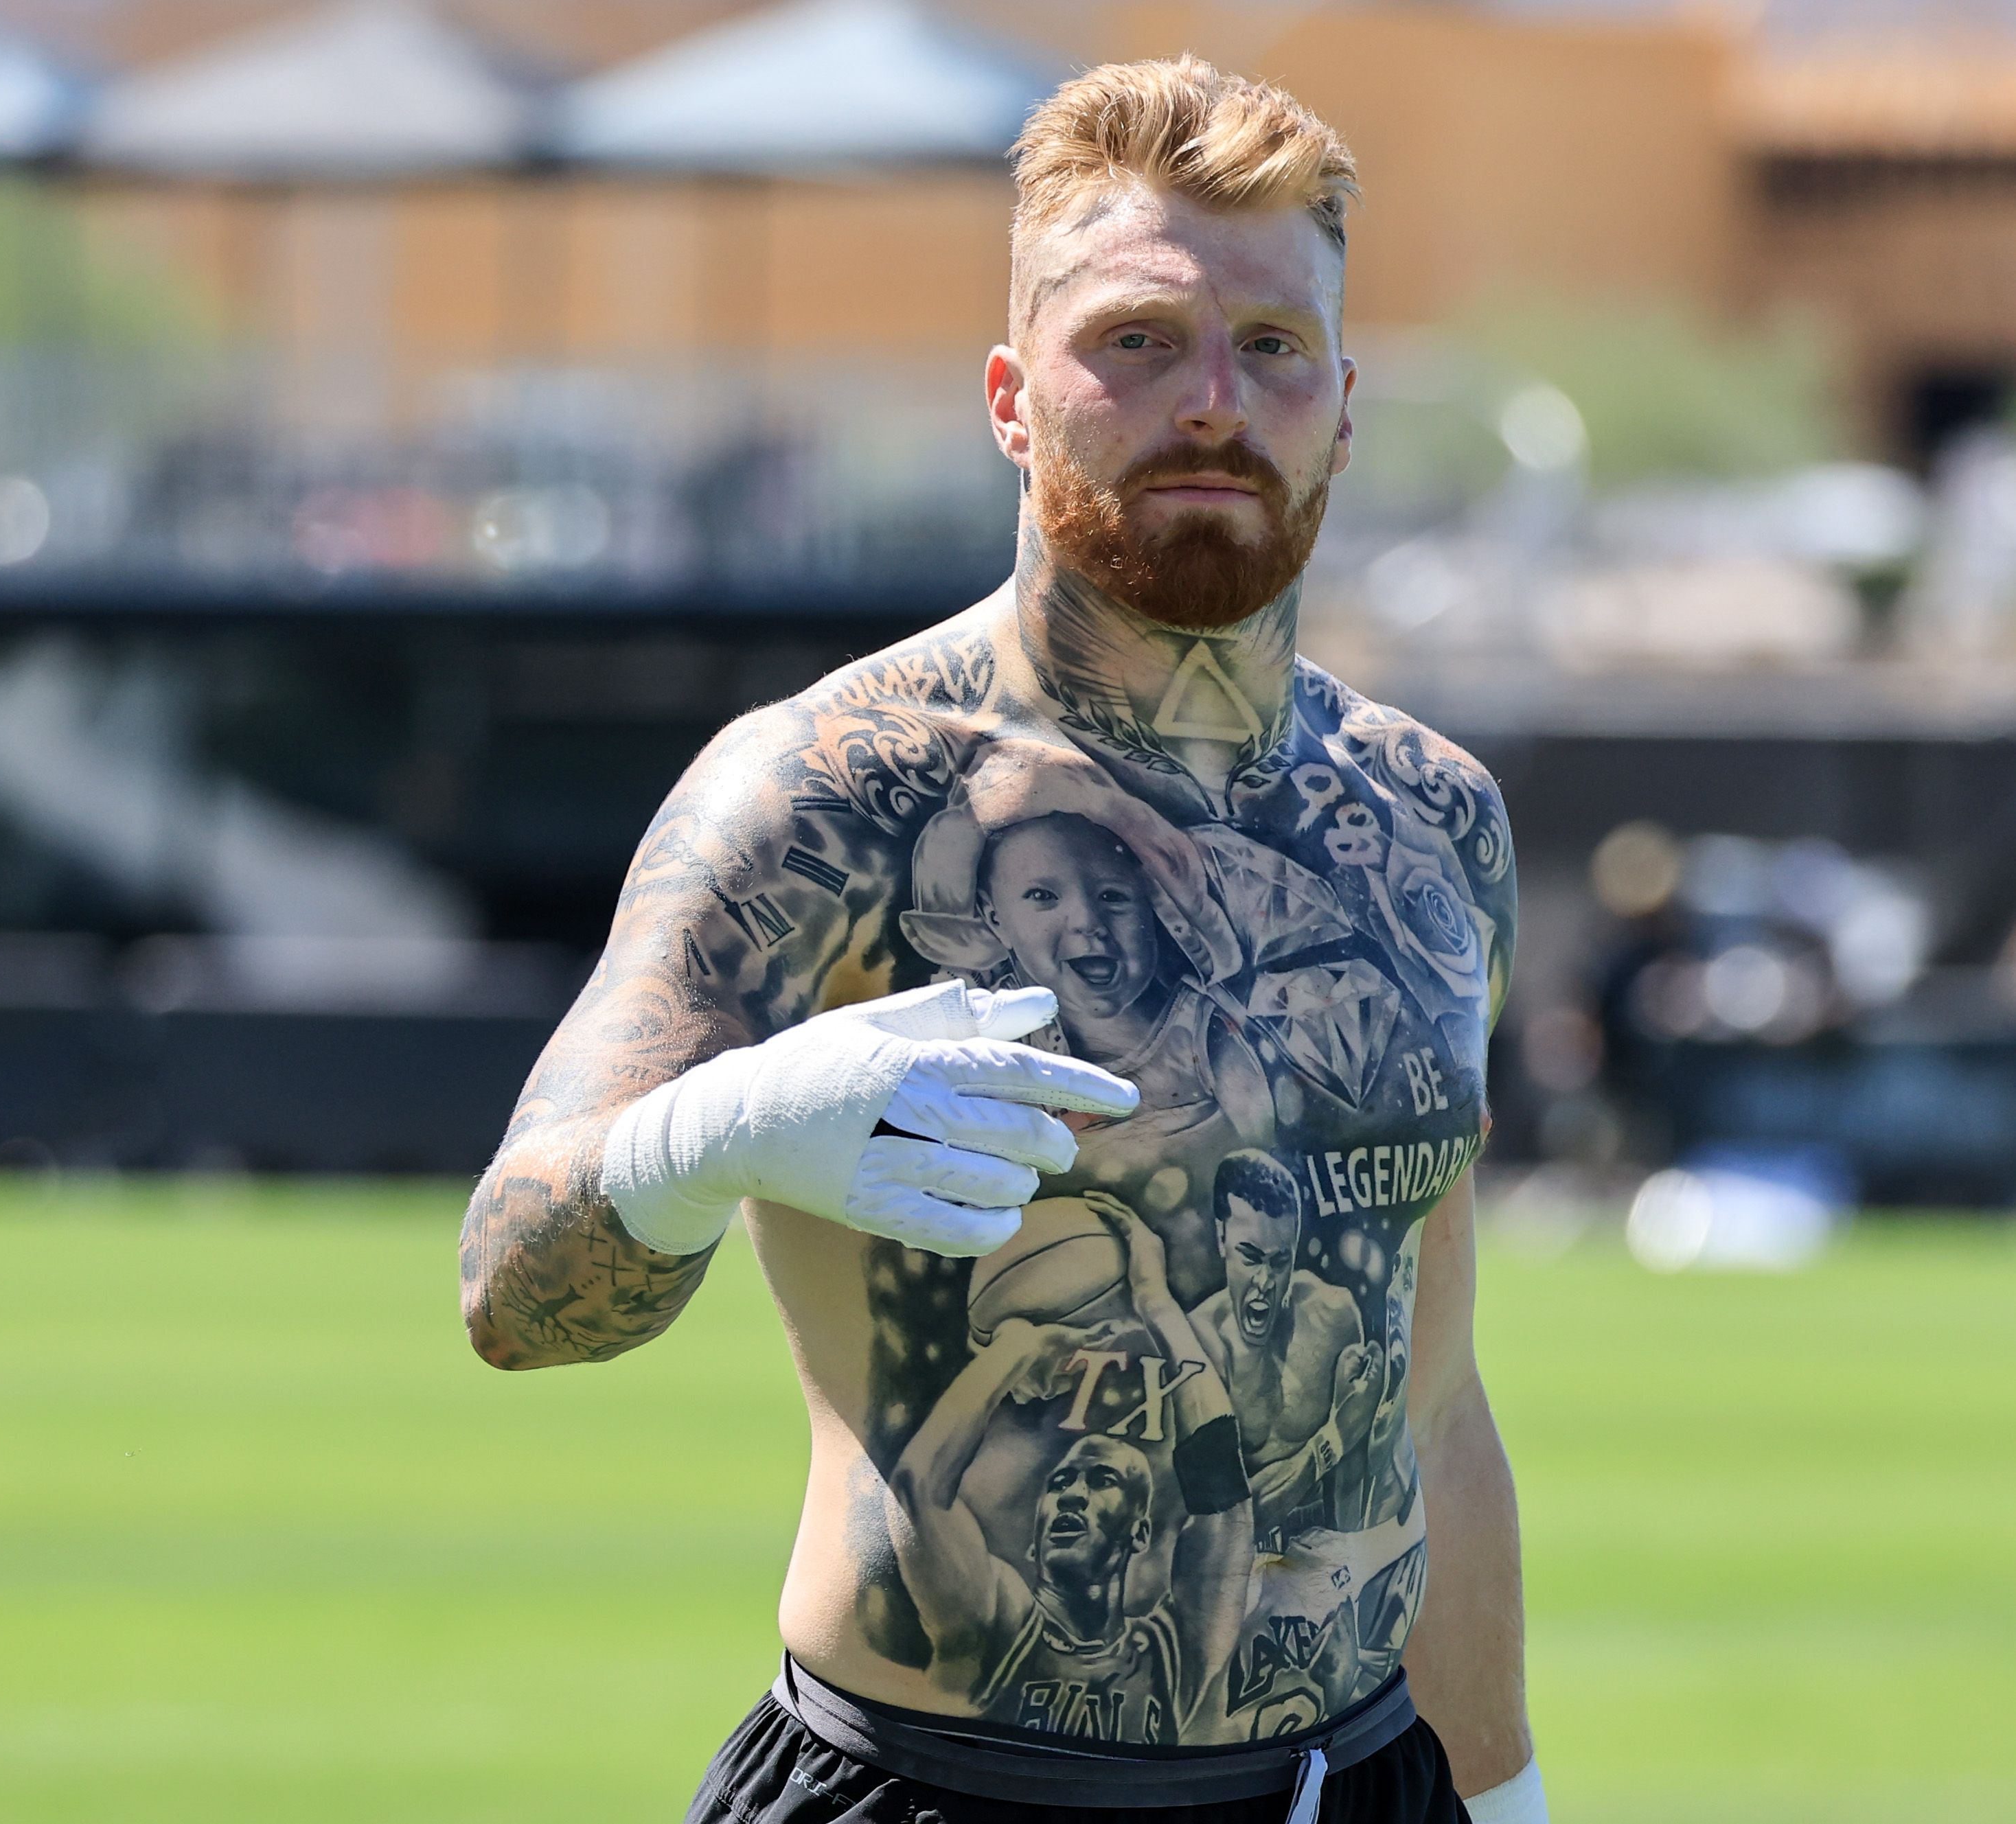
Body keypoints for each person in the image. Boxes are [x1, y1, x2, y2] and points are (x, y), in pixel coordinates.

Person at [460, 56, 1542, 1824]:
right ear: (1009, 397)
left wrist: (1504, 1798)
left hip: (1358, 1786)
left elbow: (1428, 1411)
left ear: (1341, 405)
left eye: (1270, 348)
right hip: (931, 1789)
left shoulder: (1430, 823)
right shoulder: (821, 792)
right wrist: (714, 1132)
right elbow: (510, 1285)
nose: (1211, 401)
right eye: (1133, 340)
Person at [887, 1197, 1250, 1746]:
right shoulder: (996, 1622)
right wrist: (1017, 1346)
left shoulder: (1174, 1650)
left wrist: (1158, 1305)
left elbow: (1222, 1491)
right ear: (1033, 1542)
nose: (1071, 1495)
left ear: (1140, 1530)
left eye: (1101, 1479)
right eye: (1059, 1483)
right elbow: (918, 1490)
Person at [1186, 1151, 1382, 1551]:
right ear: (1222, 1238)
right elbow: (1221, 1528)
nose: (1264, 1282)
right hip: (1232, 1576)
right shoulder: (1197, 1345)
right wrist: (1334, 1437)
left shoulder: (1334, 1314)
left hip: (1324, 1551)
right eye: (1251, 1257)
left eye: (1280, 1262)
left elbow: (1353, 1477)